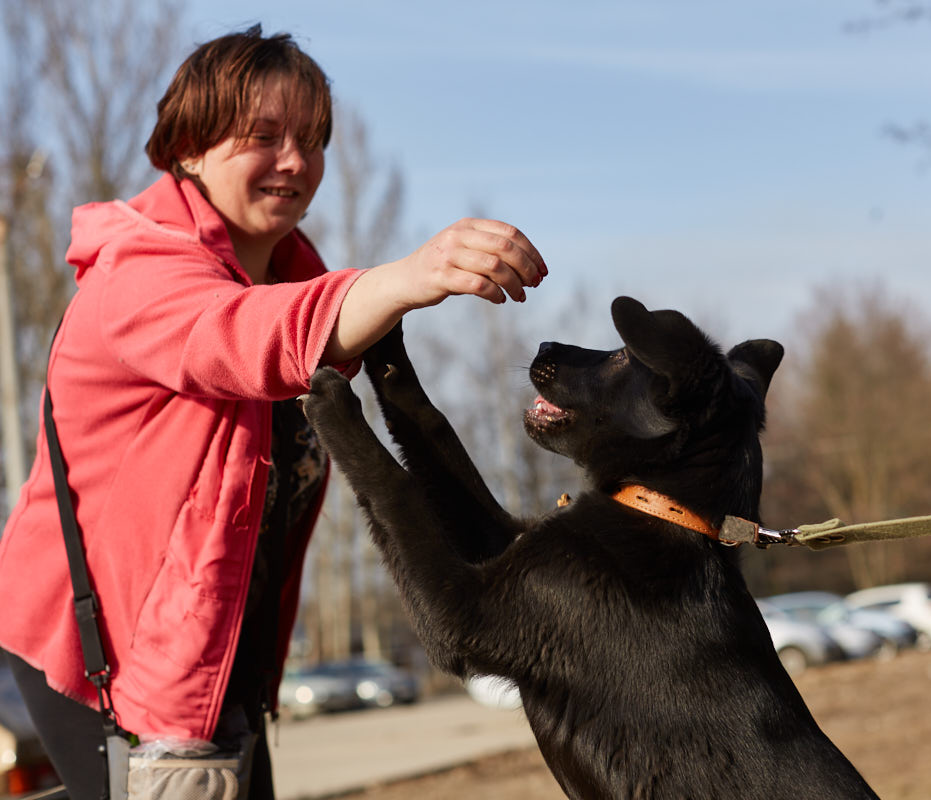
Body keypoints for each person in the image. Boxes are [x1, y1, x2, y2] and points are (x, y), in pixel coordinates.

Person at [0, 24, 546, 799]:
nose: (296, 161)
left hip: (224, 653)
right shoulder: (140, 265)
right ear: (189, 143)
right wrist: (408, 275)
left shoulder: (288, 281)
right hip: (113, 652)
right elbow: (236, 337)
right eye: (263, 136)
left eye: (313, 139)